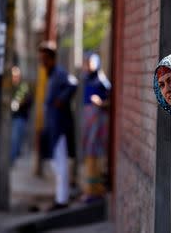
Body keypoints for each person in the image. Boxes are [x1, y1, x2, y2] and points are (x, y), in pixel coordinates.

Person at [38, 41, 77, 211]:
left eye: (45, 59)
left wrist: (62, 99)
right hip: (52, 127)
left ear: (52, 59)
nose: (43, 62)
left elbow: (73, 84)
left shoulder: (60, 73)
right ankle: (60, 197)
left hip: (60, 126)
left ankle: (62, 200)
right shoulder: (51, 74)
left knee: (60, 164)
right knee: (56, 164)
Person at [81, 53, 111, 203]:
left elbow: (110, 100)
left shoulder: (102, 81)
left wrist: (101, 103)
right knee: (89, 153)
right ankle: (89, 189)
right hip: (88, 121)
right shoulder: (87, 79)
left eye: (89, 63)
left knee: (96, 153)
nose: (86, 65)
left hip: (97, 123)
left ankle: (96, 190)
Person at [10, 66, 32, 164]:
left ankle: (12, 159)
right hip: (12, 117)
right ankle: (12, 156)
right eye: (13, 75)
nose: (14, 77)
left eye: (16, 75)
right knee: (13, 139)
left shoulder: (23, 87)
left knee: (16, 139)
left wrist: (20, 103)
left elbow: (27, 100)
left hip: (20, 116)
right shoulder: (10, 86)